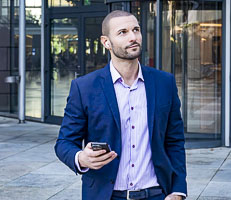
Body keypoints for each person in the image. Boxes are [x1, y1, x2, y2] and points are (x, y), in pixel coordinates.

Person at [55, 10, 187, 200]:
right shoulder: (84, 87)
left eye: (136, 30)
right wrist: (81, 158)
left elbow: (174, 141)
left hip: (157, 193)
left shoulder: (165, 83)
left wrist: (178, 191)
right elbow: (64, 142)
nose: (133, 37)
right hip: (106, 195)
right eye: (122, 32)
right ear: (106, 42)